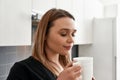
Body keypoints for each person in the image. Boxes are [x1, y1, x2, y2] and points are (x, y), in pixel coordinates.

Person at [7, 8, 95, 80]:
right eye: (63, 34)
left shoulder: (68, 67)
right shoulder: (22, 70)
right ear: (44, 34)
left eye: (73, 34)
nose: (71, 40)